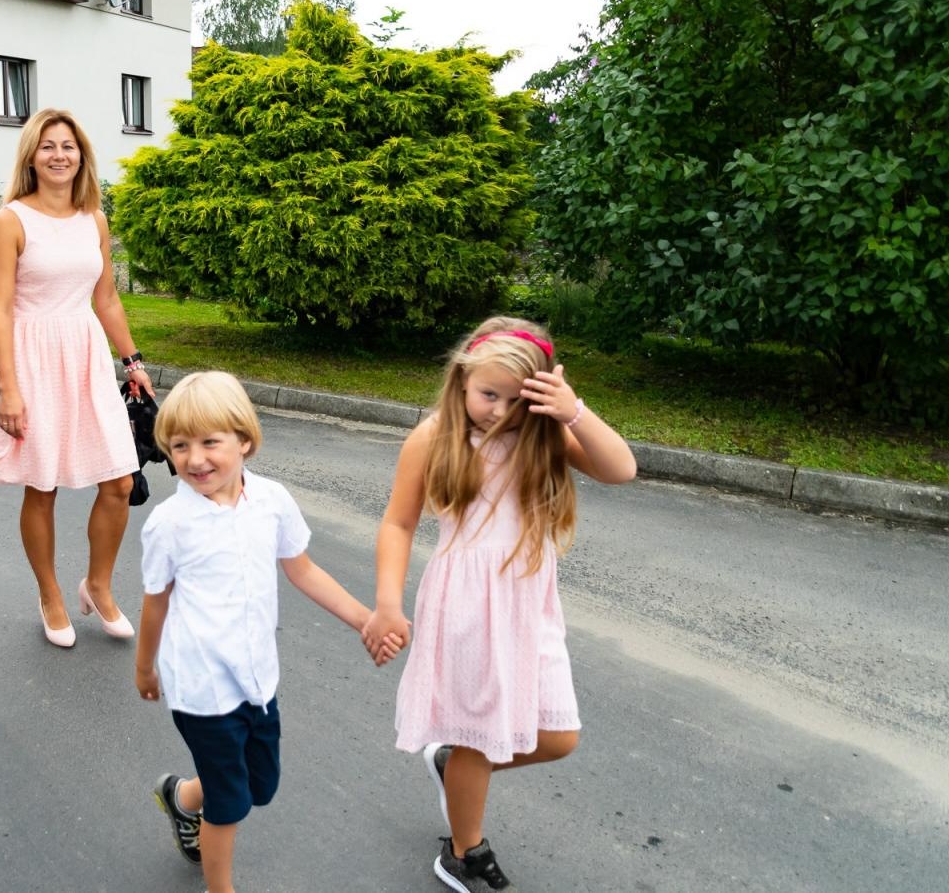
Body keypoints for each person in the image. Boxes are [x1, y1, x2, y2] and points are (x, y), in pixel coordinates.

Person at [361, 316, 637, 892]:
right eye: (489, 394)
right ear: (462, 378)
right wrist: (388, 603)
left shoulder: (544, 435)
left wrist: (572, 410)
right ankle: (463, 850)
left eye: (516, 399)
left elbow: (622, 469)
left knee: (557, 736)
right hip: (465, 609)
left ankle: (457, 764)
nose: (499, 410)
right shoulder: (435, 437)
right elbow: (398, 522)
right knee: (480, 739)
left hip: (528, 608)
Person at [135, 371, 396, 893]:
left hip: (256, 679)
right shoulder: (169, 523)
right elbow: (155, 601)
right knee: (230, 805)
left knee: (258, 785)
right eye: (180, 445)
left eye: (211, 442)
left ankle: (183, 796)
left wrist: (365, 618)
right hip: (201, 686)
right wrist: (145, 666)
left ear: (245, 441)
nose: (195, 458)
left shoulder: (272, 501)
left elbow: (303, 570)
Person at [0, 108, 154, 647]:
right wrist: (9, 389)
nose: (58, 155)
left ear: (81, 156)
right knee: (43, 485)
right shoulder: (10, 221)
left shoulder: (93, 219)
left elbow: (107, 298)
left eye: (68, 146)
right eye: (47, 146)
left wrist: (133, 361)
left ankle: (97, 585)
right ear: (31, 154)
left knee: (120, 480)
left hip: (88, 355)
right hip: (32, 360)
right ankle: (50, 594)